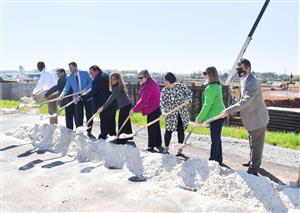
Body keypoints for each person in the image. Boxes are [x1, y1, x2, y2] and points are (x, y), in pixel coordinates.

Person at [220, 58, 269, 176]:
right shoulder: (244, 79)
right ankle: (253, 161)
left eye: (241, 68)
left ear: (248, 68)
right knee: (252, 141)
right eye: (238, 69)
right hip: (251, 118)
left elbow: (246, 100)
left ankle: (254, 168)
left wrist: (229, 110)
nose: (239, 71)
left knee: (257, 144)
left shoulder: (253, 81)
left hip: (257, 118)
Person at [195, 66, 225, 165]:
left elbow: (207, 105)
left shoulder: (211, 88)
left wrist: (199, 118)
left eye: (205, 74)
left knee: (215, 139)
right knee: (217, 137)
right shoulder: (218, 85)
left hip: (215, 116)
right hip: (220, 114)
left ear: (210, 75)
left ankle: (213, 160)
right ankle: (219, 158)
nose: (204, 76)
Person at [129, 70, 163, 152]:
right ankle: (158, 142)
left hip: (152, 108)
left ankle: (151, 146)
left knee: (151, 127)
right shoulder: (150, 81)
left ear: (146, 77)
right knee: (156, 126)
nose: (139, 80)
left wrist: (134, 110)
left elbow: (143, 100)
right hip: (156, 107)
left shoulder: (148, 86)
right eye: (138, 78)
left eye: (141, 78)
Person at [59, 62, 95, 139]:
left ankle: (89, 131)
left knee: (89, 114)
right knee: (79, 115)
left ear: (75, 67)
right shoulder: (69, 77)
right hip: (77, 98)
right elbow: (66, 87)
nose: (70, 70)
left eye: (71, 68)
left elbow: (91, 82)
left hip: (87, 97)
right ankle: (80, 131)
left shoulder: (84, 73)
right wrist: (62, 94)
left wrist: (85, 89)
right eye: (69, 68)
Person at [160, 72, 192, 156]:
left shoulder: (180, 87)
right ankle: (166, 147)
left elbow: (189, 94)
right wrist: (163, 112)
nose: (164, 82)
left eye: (165, 80)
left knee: (181, 131)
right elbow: (162, 103)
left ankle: (180, 148)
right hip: (170, 114)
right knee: (168, 130)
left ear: (170, 80)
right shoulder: (164, 91)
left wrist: (187, 99)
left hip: (181, 113)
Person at [98, 72, 133, 144]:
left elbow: (111, 99)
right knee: (126, 121)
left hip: (125, 106)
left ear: (118, 80)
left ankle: (121, 140)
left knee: (121, 122)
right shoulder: (116, 86)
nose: (112, 80)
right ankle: (129, 136)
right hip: (126, 105)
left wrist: (102, 107)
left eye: (114, 79)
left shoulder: (118, 87)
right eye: (111, 79)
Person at [89, 65, 117, 140]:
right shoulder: (105, 75)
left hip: (104, 103)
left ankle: (103, 136)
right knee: (111, 119)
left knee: (104, 119)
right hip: (111, 102)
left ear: (96, 71)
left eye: (91, 72)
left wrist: (82, 97)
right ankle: (112, 134)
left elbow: (93, 91)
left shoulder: (99, 78)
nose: (91, 74)